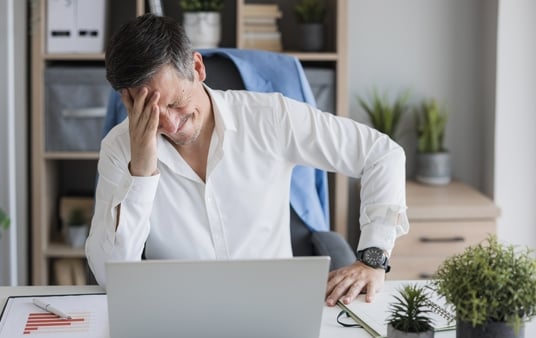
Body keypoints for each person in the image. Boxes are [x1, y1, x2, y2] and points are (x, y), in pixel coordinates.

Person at [85, 14, 409, 307]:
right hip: (179, 312)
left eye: (177, 103)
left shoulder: (270, 118)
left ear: (197, 68)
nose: (170, 125)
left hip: (276, 307)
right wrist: (141, 172)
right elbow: (109, 277)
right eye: (152, 113)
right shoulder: (120, 148)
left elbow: (382, 154)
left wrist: (373, 257)